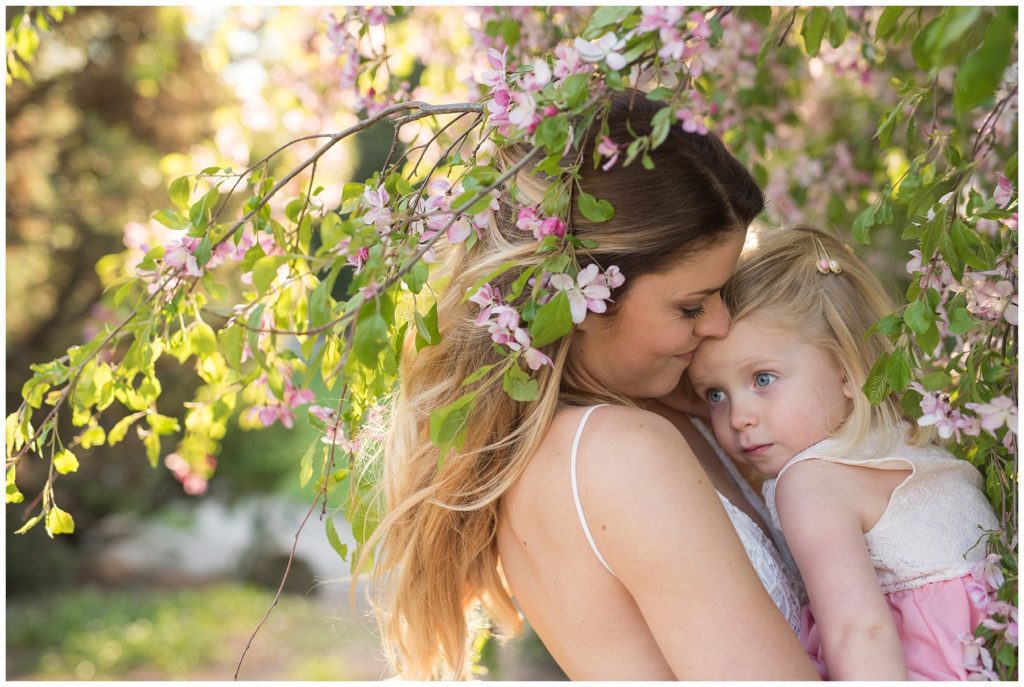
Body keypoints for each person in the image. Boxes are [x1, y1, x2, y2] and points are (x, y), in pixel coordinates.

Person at [361, 89, 819, 680]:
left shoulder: (623, 427)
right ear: (581, 297)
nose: (720, 324)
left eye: (722, 295)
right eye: (690, 306)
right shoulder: (619, 451)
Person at [686, 225, 1000, 680]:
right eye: (714, 394)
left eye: (763, 379)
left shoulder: (811, 482)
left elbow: (858, 632)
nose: (738, 417)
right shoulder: (906, 445)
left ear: (846, 368)